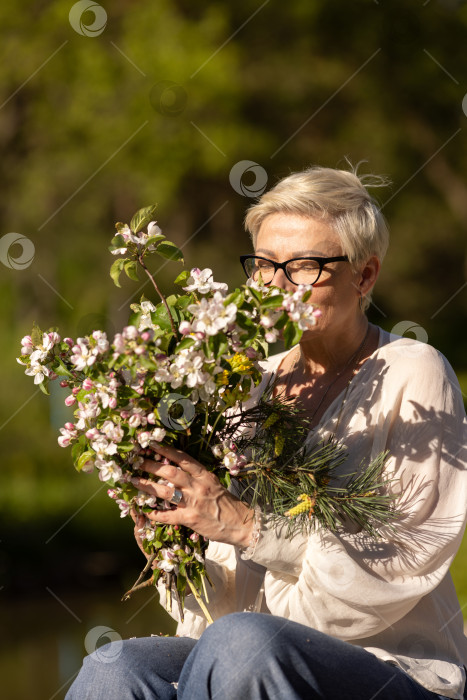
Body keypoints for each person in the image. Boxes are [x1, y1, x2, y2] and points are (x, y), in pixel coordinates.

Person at [67, 166, 467, 699]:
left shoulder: (413, 372)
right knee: (114, 667)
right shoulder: (243, 384)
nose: (276, 286)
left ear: (364, 276)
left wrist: (247, 525)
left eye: (303, 266)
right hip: (241, 652)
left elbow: (392, 562)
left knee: (243, 644)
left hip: (389, 668)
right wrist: (177, 548)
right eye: (264, 265)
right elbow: (226, 607)